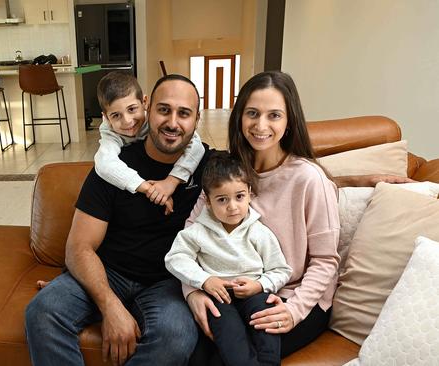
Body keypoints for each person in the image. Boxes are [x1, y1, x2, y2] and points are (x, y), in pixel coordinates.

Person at [25, 74, 208, 366]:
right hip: (108, 273)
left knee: (176, 335)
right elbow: (79, 247)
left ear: (197, 119)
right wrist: (110, 305)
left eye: (184, 113)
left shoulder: (207, 167)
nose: (173, 122)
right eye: (164, 110)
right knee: (43, 311)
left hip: (167, 281)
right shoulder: (113, 165)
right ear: (149, 109)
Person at [185, 71, 341, 364]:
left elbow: (326, 261)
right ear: (239, 117)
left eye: (274, 115)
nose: (261, 125)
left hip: (294, 296)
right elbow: (191, 235)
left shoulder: (309, 179)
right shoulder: (227, 173)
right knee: (191, 354)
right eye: (252, 113)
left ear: (289, 121)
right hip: (234, 294)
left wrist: (293, 311)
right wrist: (193, 289)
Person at [165, 151, 292, 366]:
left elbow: (281, 270)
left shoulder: (259, 232)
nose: (232, 206)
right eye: (222, 200)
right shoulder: (198, 231)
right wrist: (204, 280)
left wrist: (259, 285)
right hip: (219, 296)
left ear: (249, 194)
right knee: (230, 335)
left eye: (239, 196)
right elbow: (175, 258)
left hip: (254, 293)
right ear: (208, 202)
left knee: (266, 323)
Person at [94, 72, 205, 213]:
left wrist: (171, 181)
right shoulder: (110, 132)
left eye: (132, 109)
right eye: (116, 115)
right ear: (106, 118)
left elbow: (196, 145)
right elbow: (104, 163)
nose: (127, 121)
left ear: (145, 103)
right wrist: (148, 188)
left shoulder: (151, 118)